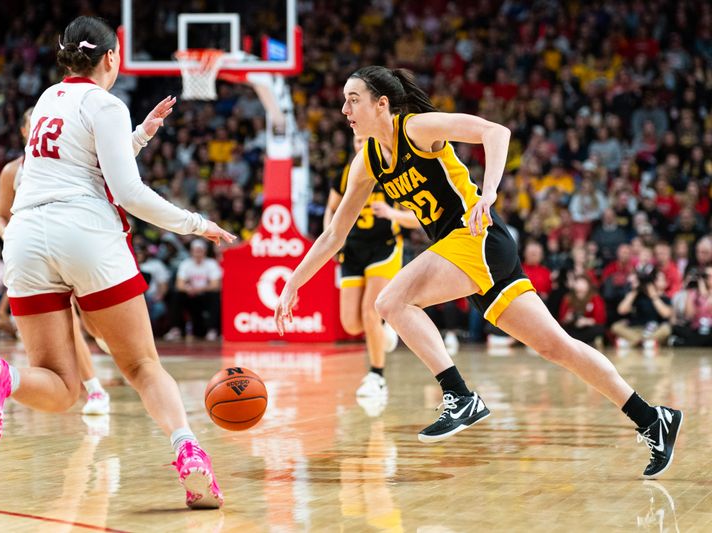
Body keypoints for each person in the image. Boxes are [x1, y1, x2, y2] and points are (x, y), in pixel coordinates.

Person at [274, 66, 682, 478]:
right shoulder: (367, 163)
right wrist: (293, 281)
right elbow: (333, 234)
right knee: (557, 347)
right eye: (344, 100)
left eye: (353, 98)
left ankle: (459, 395)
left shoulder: (417, 127)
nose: (344, 108)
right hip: (467, 251)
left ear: (382, 104)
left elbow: (496, 132)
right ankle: (652, 418)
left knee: (391, 301)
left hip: (478, 237)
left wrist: (488, 192)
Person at [0, 16, 234, 508]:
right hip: (83, 232)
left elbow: (78, 163)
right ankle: (188, 452)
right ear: (112, 57)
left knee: (65, 387)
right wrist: (197, 223)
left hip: (24, 237)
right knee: (142, 365)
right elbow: (126, 191)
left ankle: (6, 377)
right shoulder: (106, 102)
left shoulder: (48, 98)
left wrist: (139, 136)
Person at [0, 107, 110, 416]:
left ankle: (106, 343)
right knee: (69, 321)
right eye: (32, 122)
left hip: (74, 244)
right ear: (24, 130)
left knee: (93, 320)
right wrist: (12, 236)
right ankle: (95, 390)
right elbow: (1, 215)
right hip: (35, 253)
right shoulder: (12, 171)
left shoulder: (68, 161)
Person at [324, 135, 418, 402]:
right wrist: (332, 238)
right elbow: (330, 210)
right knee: (351, 324)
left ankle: (377, 377)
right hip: (352, 249)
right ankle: (385, 328)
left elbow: (417, 218)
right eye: (356, 141)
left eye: (366, 140)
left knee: (369, 311)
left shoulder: (395, 172)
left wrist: (393, 214)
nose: (360, 145)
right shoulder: (345, 175)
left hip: (384, 247)